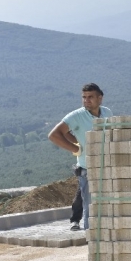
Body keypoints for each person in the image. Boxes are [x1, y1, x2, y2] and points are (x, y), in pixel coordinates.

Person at [48, 83, 112, 231]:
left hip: (106, 167)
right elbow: (54, 135)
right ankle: (91, 242)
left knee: (106, 206)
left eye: (90, 97)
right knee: (90, 208)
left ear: (100, 98)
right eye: (84, 97)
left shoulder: (107, 113)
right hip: (87, 169)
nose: (86, 100)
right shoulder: (76, 116)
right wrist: (76, 148)